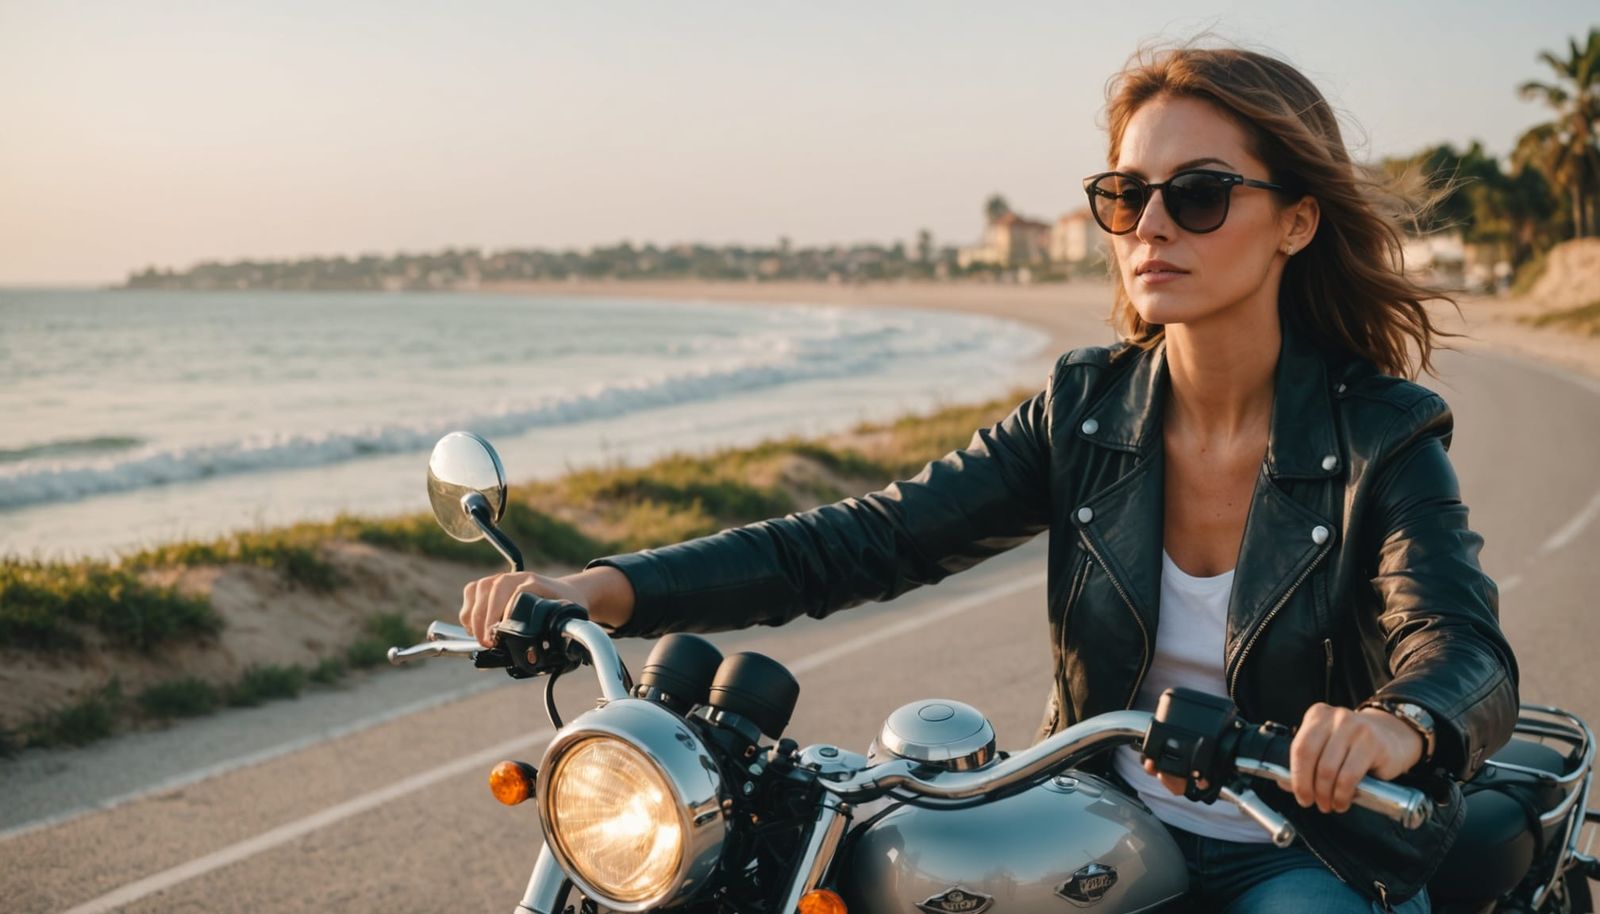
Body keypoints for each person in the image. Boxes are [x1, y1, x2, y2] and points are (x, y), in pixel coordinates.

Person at [460, 41, 1518, 914]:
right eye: (1125, 194)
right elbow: (872, 534)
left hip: (1311, 849)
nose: (1149, 224)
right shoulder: (1088, 408)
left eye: (1197, 196)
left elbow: (1458, 643)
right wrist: (602, 589)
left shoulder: (1381, 433)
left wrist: (1391, 723)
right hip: (1108, 820)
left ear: (1295, 219)